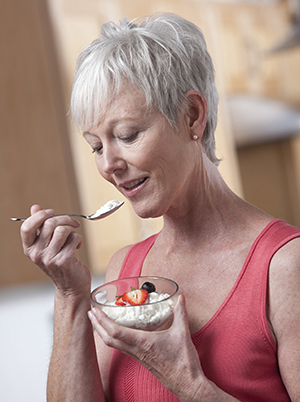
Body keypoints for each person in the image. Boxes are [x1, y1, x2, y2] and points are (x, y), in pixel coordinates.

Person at [20, 13, 300, 402]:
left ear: (192, 116)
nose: (108, 165)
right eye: (97, 146)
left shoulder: (285, 266)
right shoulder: (124, 272)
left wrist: (190, 384)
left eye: (127, 135)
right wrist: (70, 294)